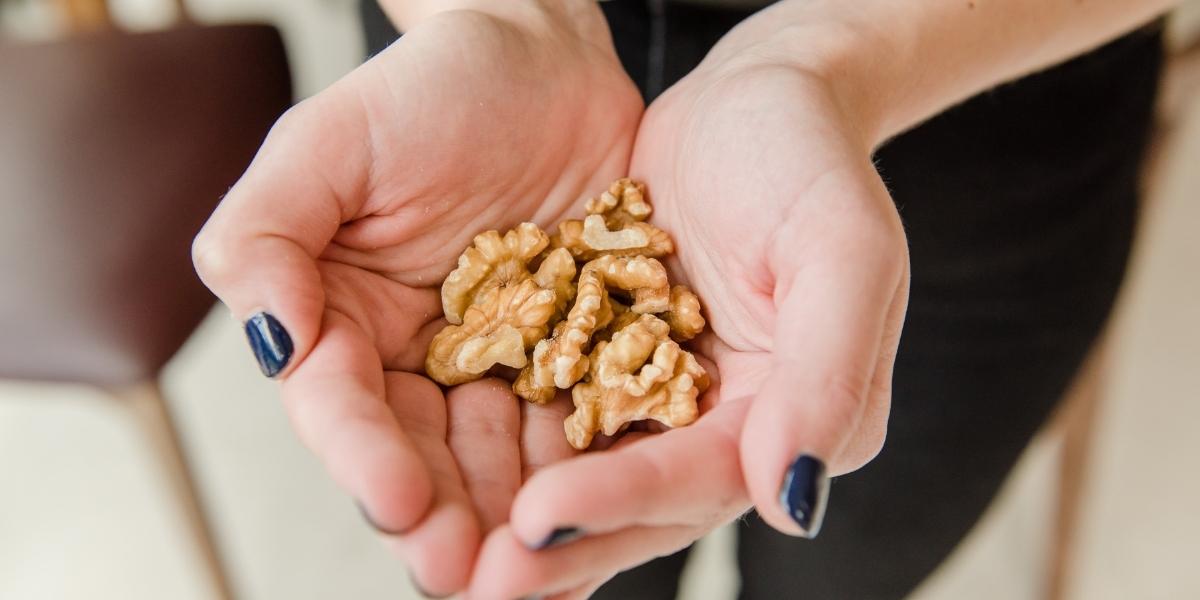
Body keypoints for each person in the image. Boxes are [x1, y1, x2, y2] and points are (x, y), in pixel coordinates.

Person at [192, 0, 1175, 597]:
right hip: (486, 98)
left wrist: (832, 54)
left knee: (848, 569)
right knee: (562, 558)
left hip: (968, 84)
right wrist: (497, 18)